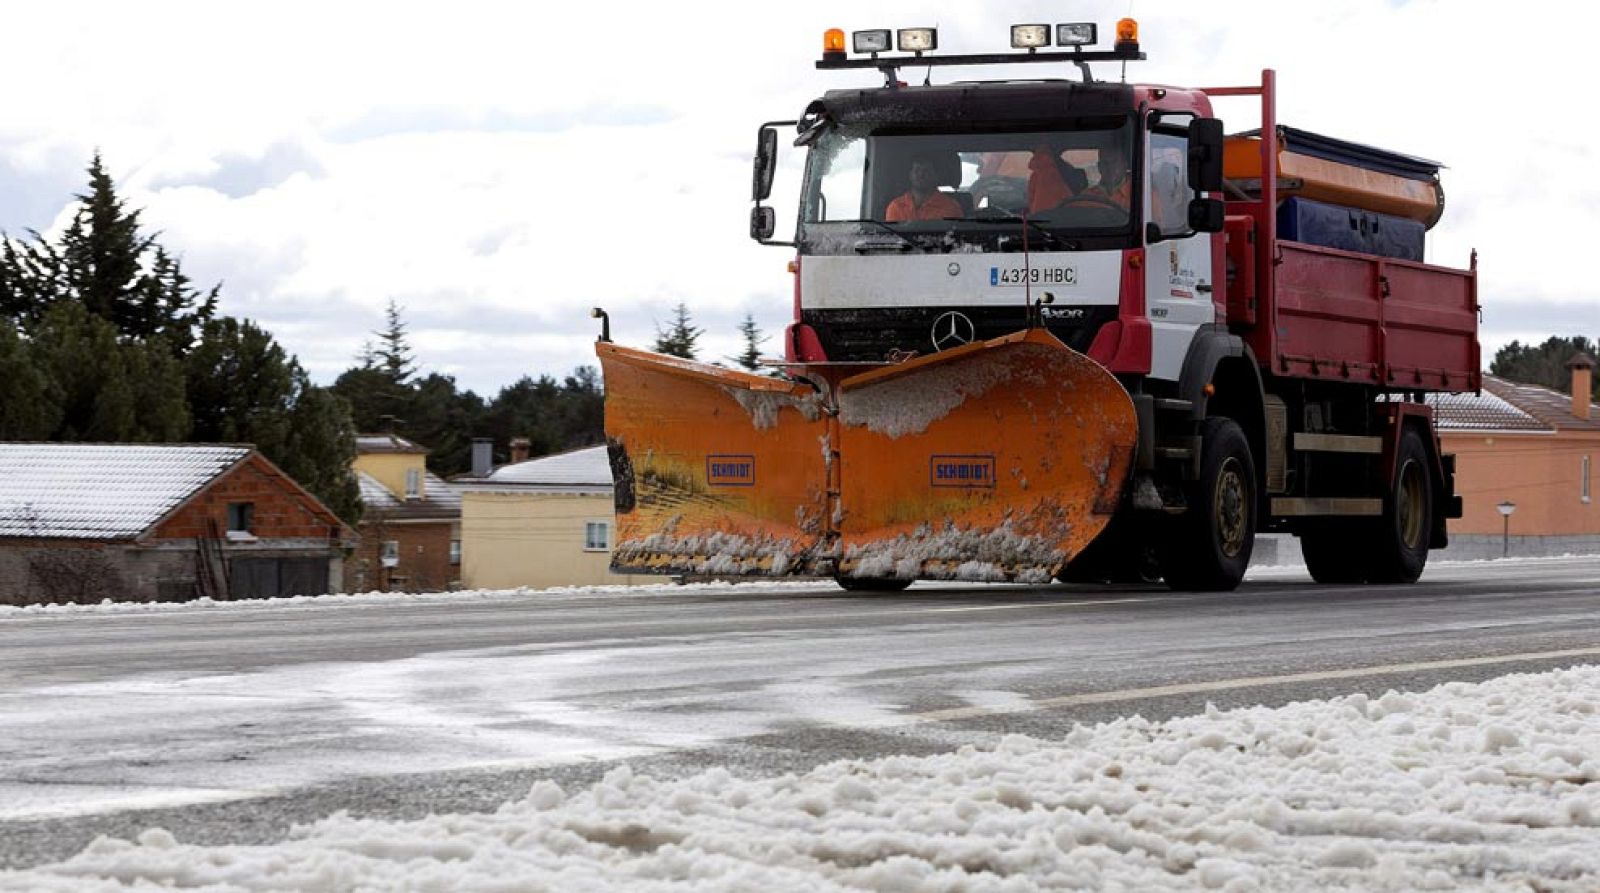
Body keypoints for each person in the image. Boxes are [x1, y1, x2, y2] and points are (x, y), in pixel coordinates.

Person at [884, 156, 963, 222]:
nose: (921, 175)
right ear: (910, 175)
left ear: (936, 176)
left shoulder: (950, 208)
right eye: (917, 170)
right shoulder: (896, 207)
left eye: (926, 171)